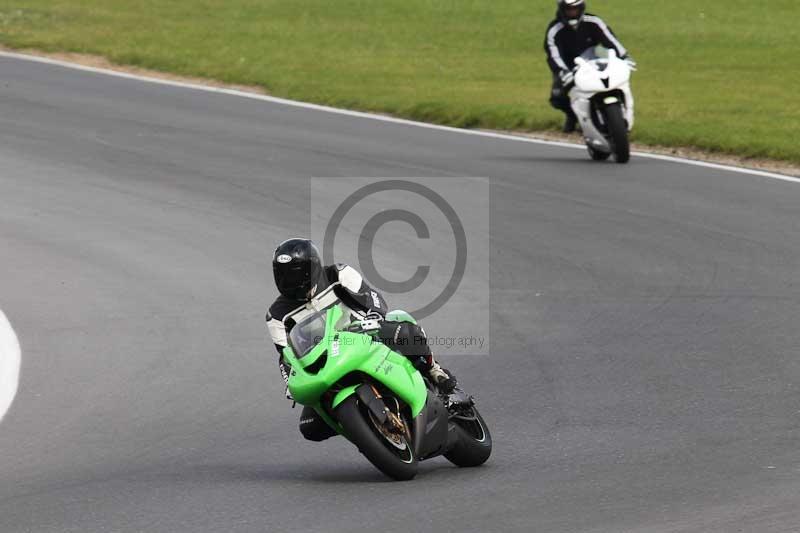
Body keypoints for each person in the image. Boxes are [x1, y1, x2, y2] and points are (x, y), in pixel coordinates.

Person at [266, 238, 457, 441]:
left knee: (405, 333)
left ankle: (433, 370)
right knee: (310, 427)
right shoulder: (276, 315)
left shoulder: (337, 274)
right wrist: (290, 383)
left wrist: (373, 318)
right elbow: (285, 355)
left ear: (310, 268)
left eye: (294, 273)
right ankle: (365, 429)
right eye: (282, 274)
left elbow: (372, 298)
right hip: (327, 358)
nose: (288, 280)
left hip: (364, 333)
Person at [544, 0, 635, 132]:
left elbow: (611, 40)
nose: (572, 13)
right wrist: (562, 71)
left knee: (613, 82)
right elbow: (553, 54)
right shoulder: (554, 30)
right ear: (561, 10)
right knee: (557, 97)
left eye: (575, 9)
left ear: (581, 8)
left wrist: (624, 57)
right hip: (568, 68)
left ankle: (622, 115)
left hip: (594, 62)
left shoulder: (594, 22)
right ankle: (573, 115)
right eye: (568, 9)